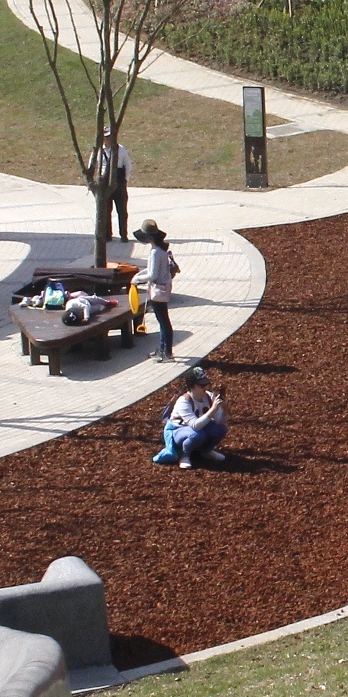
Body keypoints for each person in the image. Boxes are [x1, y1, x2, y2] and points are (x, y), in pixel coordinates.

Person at [153, 365, 227, 469]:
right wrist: (213, 409)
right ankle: (184, 455)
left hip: (196, 429)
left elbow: (220, 422)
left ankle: (206, 451)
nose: (206, 388)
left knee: (220, 429)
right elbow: (195, 425)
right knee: (196, 435)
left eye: (206, 384)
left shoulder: (209, 397)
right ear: (192, 386)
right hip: (177, 431)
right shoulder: (183, 401)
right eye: (202, 385)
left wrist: (225, 409)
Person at [133, 220, 179, 360]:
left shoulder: (155, 252)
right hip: (163, 288)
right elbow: (154, 269)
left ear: (148, 238)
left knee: (163, 321)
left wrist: (137, 280)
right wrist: (139, 274)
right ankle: (162, 349)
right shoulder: (161, 250)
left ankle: (167, 352)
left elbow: (153, 274)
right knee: (163, 320)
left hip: (157, 290)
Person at [92, 128, 132, 242]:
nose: (108, 139)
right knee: (105, 211)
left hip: (119, 183)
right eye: (106, 137)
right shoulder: (99, 150)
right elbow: (94, 165)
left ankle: (123, 234)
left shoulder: (121, 149)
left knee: (122, 211)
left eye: (109, 136)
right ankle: (107, 235)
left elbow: (128, 166)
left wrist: (125, 180)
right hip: (104, 183)